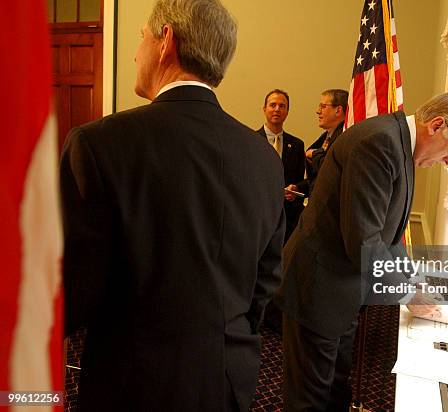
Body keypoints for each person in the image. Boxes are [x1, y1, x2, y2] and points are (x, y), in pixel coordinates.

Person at [60, 1, 285, 411]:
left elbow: (74, 288)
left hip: (132, 384)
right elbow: (265, 281)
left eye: (141, 37)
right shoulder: (265, 159)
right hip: (228, 379)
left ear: (166, 41)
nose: (135, 52)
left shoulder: (98, 145)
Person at [275, 92, 448, 411]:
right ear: (437, 125)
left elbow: (392, 237)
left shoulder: (402, 146)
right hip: (316, 290)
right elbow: (365, 243)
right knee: (309, 399)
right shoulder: (379, 142)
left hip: (343, 292)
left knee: (335, 390)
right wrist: (408, 294)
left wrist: (414, 285)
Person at [256, 89, 306, 243]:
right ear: (264, 109)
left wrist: (295, 189)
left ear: (287, 111)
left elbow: (302, 180)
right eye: (273, 105)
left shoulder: (297, 145)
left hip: (289, 219)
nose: (277, 109)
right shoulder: (251, 141)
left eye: (282, 106)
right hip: (260, 216)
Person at [291, 89, 348, 197]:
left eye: (323, 106)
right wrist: (300, 188)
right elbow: (320, 177)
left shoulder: (344, 138)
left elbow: (332, 171)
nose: (318, 111)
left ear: (338, 110)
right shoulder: (326, 137)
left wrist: (314, 155)